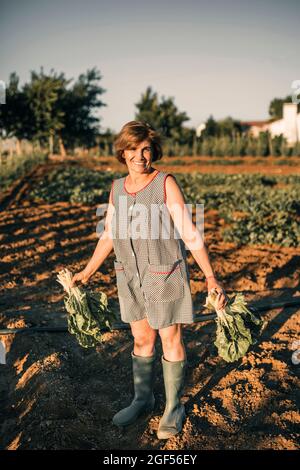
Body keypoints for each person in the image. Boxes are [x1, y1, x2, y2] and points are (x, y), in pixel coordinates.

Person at [71, 120, 228, 440]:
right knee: (142, 340)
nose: (140, 156)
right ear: (123, 151)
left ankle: (173, 407)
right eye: (133, 149)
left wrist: (210, 277)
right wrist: (86, 272)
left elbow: (189, 232)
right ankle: (142, 399)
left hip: (165, 274)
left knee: (170, 339)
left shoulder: (165, 183)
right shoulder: (116, 188)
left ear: (152, 151)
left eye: (146, 149)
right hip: (129, 277)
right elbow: (110, 235)